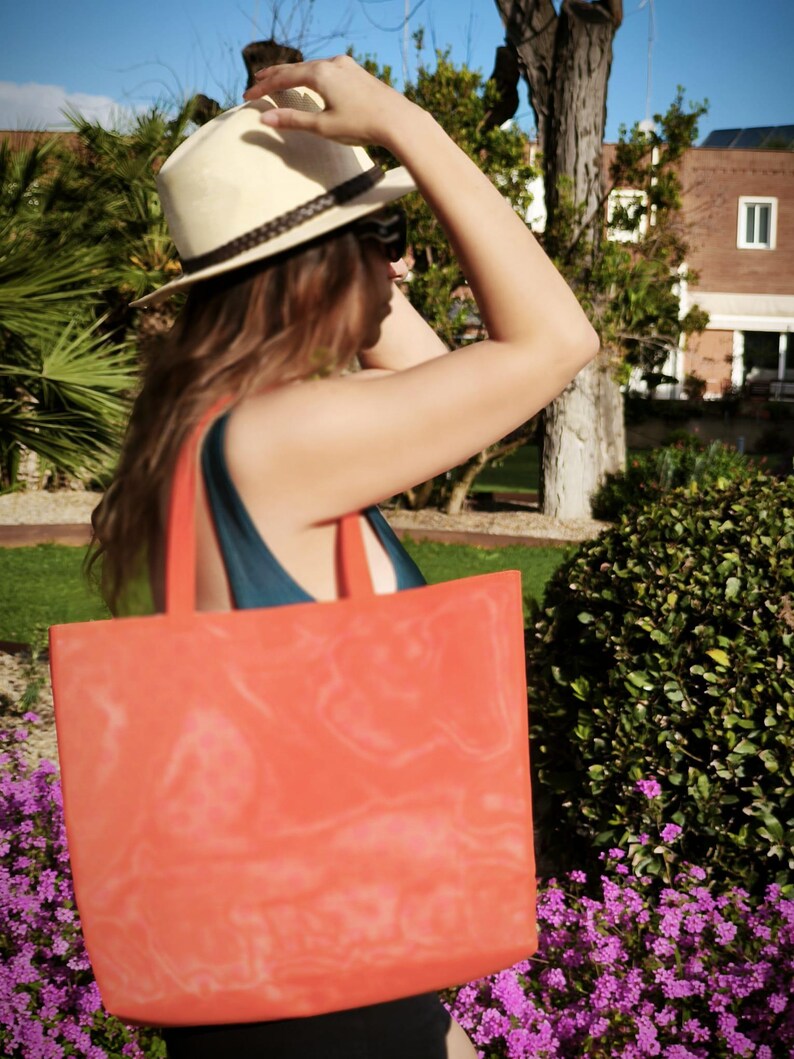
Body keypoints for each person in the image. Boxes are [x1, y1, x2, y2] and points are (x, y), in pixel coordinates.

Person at [88, 55, 599, 1059]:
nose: (406, 267)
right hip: (333, 998)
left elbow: (443, 383)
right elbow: (551, 341)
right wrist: (405, 126)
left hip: (283, 973)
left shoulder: (209, 434)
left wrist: (356, 229)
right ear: (319, 262)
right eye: (390, 242)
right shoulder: (285, 442)